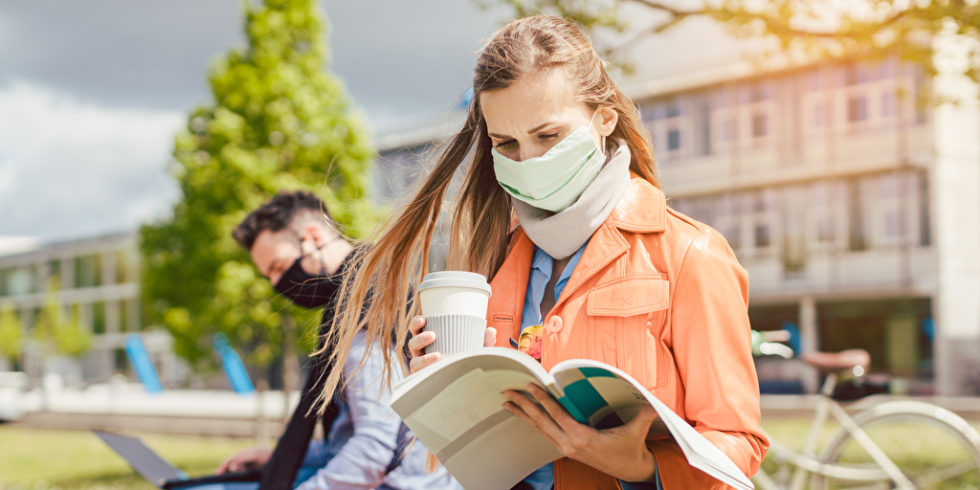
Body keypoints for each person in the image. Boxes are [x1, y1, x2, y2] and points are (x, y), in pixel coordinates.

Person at [317, 15, 769, 490]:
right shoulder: (491, 260)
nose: (528, 161)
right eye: (505, 144)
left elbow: (740, 444)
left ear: (604, 119)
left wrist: (639, 469)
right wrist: (439, 388)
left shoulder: (691, 254)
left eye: (548, 136)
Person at [218, 191, 456, 489]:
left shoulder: (362, 309)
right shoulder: (373, 284)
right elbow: (358, 438)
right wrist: (279, 457)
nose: (278, 284)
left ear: (314, 237)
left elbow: (374, 452)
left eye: (278, 267)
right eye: (270, 276)